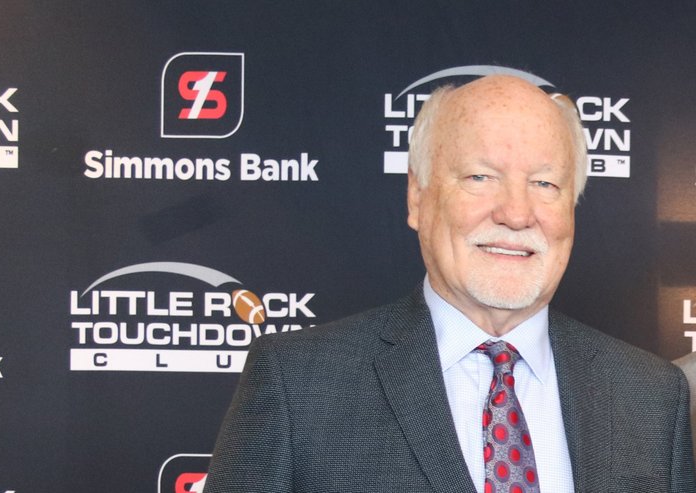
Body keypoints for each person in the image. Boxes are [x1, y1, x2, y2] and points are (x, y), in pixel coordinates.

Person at [203, 75, 695, 492]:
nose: (517, 213)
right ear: (417, 196)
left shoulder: (652, 398)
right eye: (481, 177)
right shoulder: (298, 387)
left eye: (545, 184)